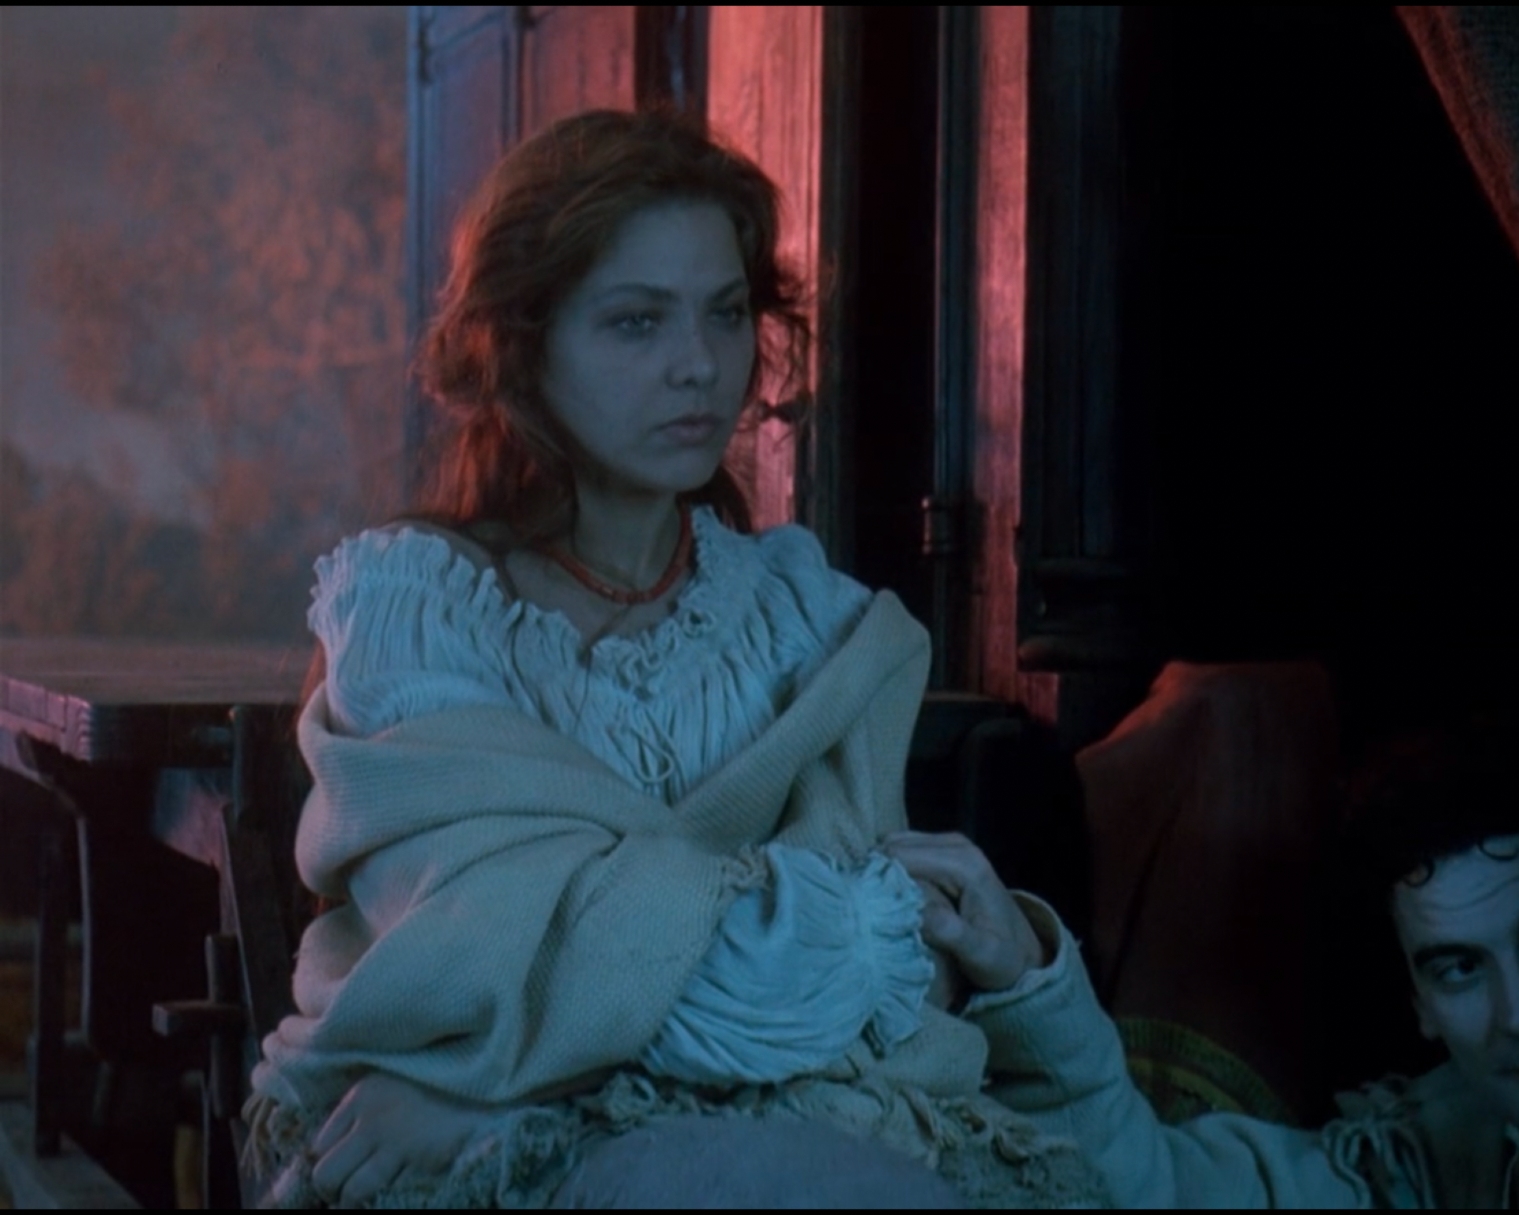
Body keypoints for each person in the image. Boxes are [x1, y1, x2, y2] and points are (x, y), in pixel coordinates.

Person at [242, 105, 1101, 1210]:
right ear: (521, 343)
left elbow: (875, 968)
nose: (699, 367)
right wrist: (760, 928)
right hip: (455, 1162)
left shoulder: (803, 621)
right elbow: (476, 966)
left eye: (726, 313)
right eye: (636, 322)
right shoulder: (419, 616)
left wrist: (520, 1085)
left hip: (726, 1123)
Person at [888, 722, 1519, 1209]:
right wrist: (1026, 978)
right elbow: (1158, 1191)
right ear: (1420, 1002)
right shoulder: (1434, 1152)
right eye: (1461, 969)